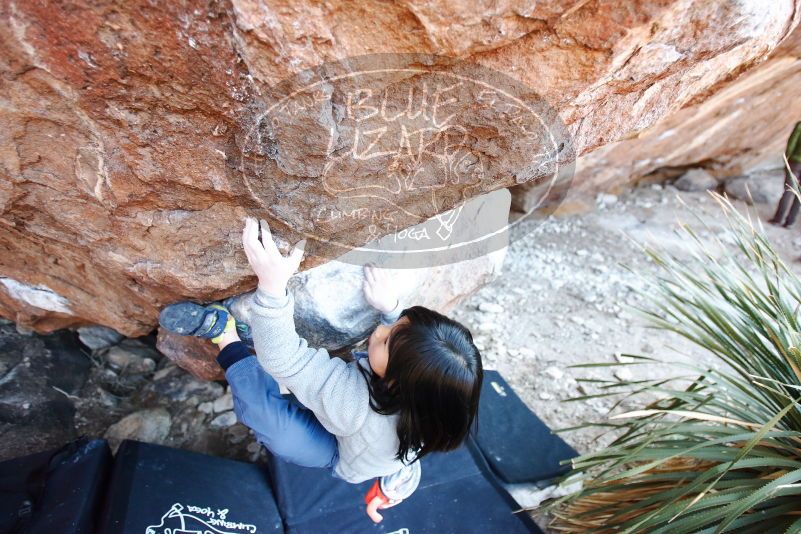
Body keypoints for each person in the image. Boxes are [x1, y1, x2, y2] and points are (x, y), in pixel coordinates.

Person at [159, 218, 483, 524]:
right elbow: (405, 464)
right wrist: (391, 311)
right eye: (396, 327)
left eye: (385, 340)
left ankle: (224, 331)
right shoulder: (438, 408)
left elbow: (285, 359)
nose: (378, 332)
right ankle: (387, 486)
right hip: (379, 451)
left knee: (271, 424)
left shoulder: (354, 406)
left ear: (396, 383)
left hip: (339, 452)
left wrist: (272, 288)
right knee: (394, 469)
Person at [769, 121, 801, 227]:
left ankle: (778, 220)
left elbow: (792, 143)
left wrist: (787, 159)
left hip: (795, 162)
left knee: (788, 191)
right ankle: (790, 222)